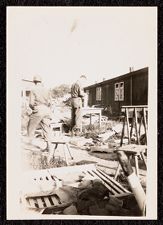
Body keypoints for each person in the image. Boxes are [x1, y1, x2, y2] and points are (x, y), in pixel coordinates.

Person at [27, 75, 54, 162]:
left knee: (30, 127)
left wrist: (33, 109)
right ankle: (50, 149)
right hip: (47, 110)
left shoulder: (33, 89)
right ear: (41, 81)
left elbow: (31, 103)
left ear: (34, 82)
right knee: (47, 130)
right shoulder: (46, 89)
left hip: (38, 109)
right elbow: (50, 102)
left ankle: (30, 149)